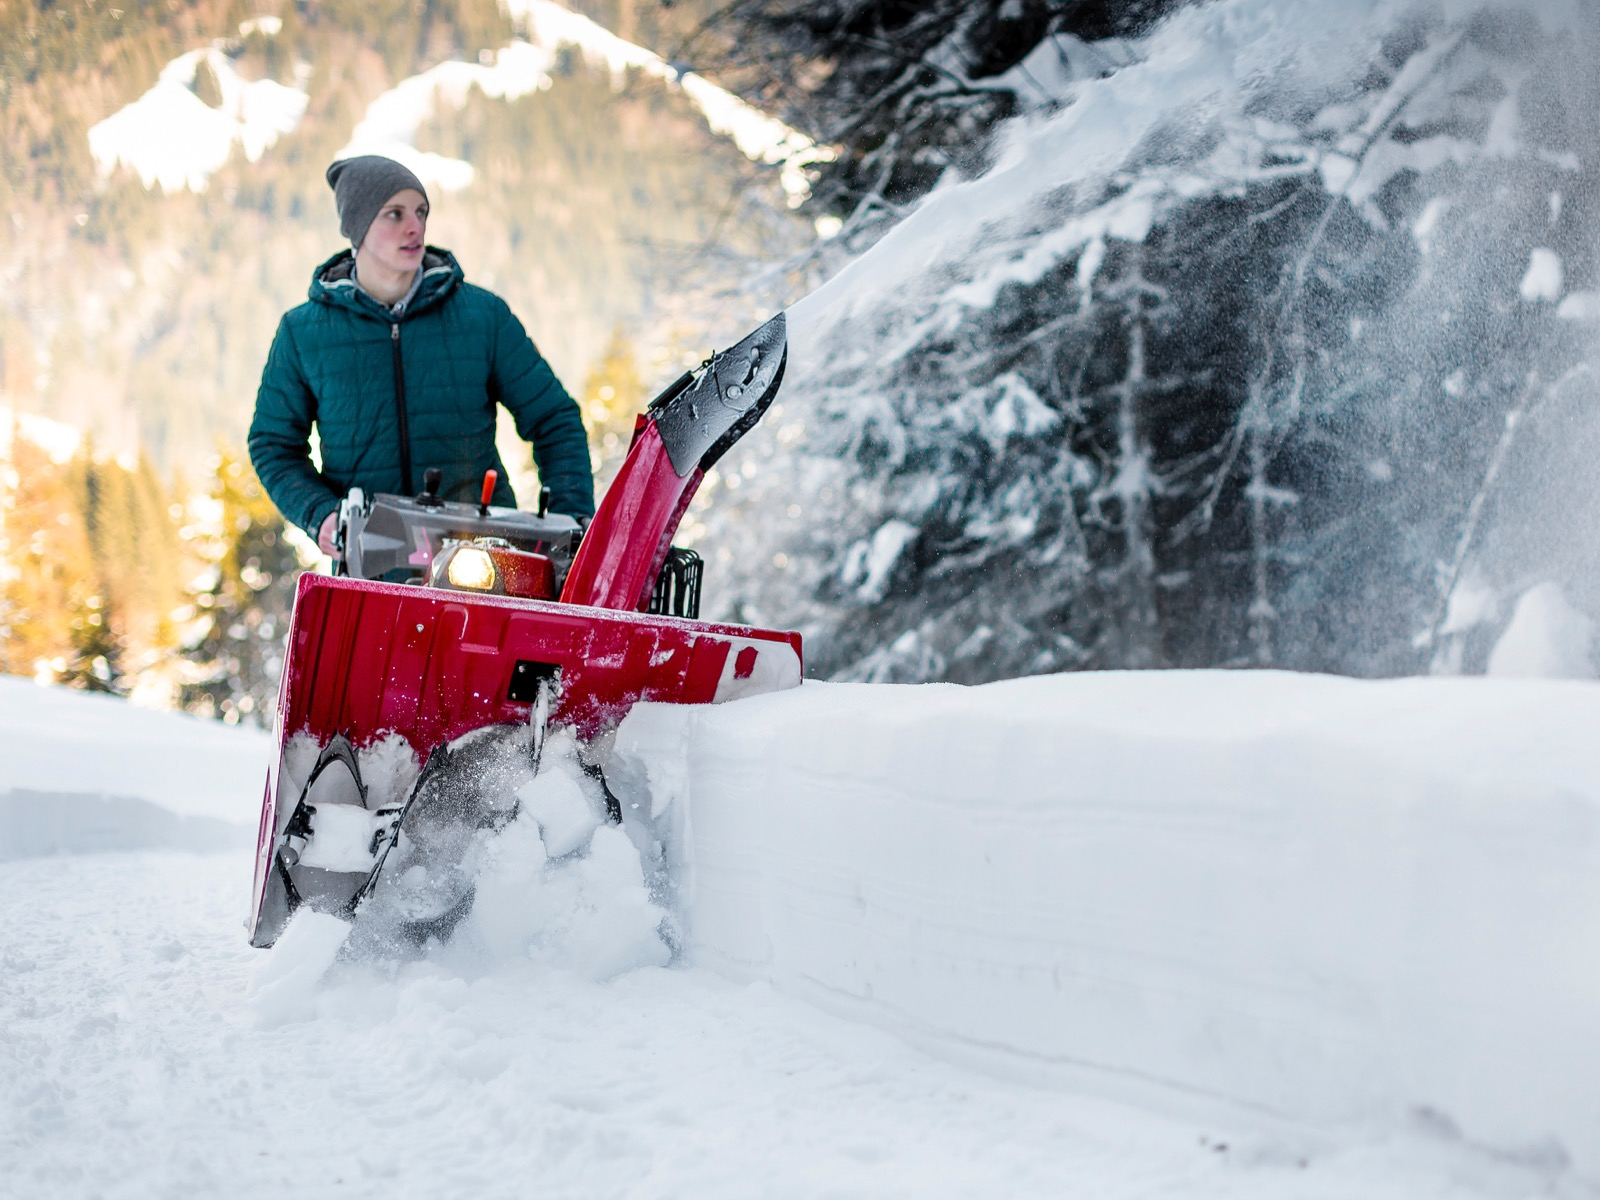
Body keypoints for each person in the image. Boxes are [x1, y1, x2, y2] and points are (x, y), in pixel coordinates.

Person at [248, 155, 594, 557]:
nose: (415, 227)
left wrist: (570, 522)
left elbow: (554, 419)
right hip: (369, 568)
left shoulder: (482, 316)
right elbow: (273, 444)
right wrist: (320, 514)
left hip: (484, 561)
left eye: (421, 212)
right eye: (394, 214)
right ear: (358, 226)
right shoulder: (303, 333)